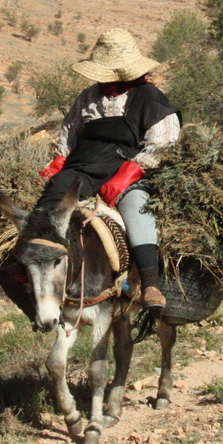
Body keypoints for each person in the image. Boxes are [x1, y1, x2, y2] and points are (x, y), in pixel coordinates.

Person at [37, 28, 180, 309]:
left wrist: (131, 172)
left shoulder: (150, 98)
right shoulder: (88, 97)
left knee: (137, 205)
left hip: (128, 171)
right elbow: (70, 132)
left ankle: (150, 284)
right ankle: (37, 271)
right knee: (48, 206)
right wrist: (60, 161)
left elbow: (164, 143)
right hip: (83, 166)